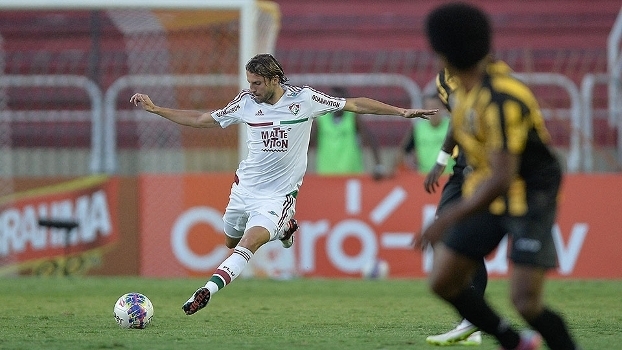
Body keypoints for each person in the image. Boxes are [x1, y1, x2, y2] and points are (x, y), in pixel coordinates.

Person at [130, 53, 438, 316]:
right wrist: (157, 109)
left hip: (278, 196)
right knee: (229, 241)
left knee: (247, 244)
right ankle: (285, 231)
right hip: (243, 190)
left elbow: (354, 104)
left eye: (257, 83)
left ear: (275, 79)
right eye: (249, 82)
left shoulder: (303, 99)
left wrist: (402, 112)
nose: (251, 89)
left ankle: (207, 289)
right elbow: (201, 120)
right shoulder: (245, 103)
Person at [416, 3, 580, 350]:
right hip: (487, 188)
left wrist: (446, 219)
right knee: (443, 281)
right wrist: (445, 161)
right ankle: (514, 342)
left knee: (526, 302)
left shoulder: (503, 97)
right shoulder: (462, 90)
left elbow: (503, 177)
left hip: (528, 196)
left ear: (440, 51)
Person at [421, 69, 488, 346]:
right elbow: (458, 120)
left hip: (486, 166)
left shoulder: (482, 74)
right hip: (461, 168)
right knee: (446, 237)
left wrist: (439, 162)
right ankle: (474, 318)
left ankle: (474, 321)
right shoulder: (442, 79)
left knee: (467, 238)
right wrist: (442, 160)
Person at [311, 87, 385, 180]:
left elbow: (370, 139)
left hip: (351, 173)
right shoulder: (321, 120)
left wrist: (379, 166)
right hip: (327, 174)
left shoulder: (353, 117)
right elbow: (306, 144)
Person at [393, 93, 454, 174]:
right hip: (424, 177)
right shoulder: (418, 129)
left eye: (435, 107)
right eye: (429, 107)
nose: (432, 111)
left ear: (442, 108)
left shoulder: (452, 127)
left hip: (448, 177)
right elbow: (402, 151)